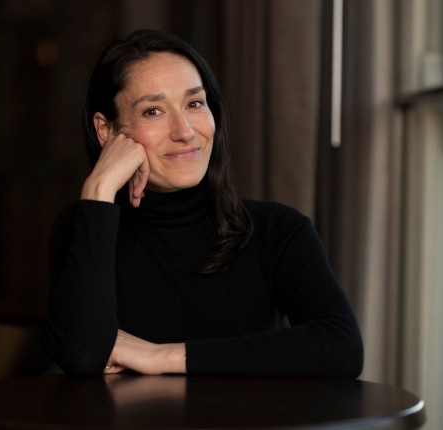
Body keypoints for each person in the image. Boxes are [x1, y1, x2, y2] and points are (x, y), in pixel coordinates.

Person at [42, 29, 364, 378]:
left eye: (194, 103)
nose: (185, 131)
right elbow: (82, 356)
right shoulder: (83, 227)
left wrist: (162, 357)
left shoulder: (279, 230)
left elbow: (342, 348)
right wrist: (99, 188)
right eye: (153, 111)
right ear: (107, 131)